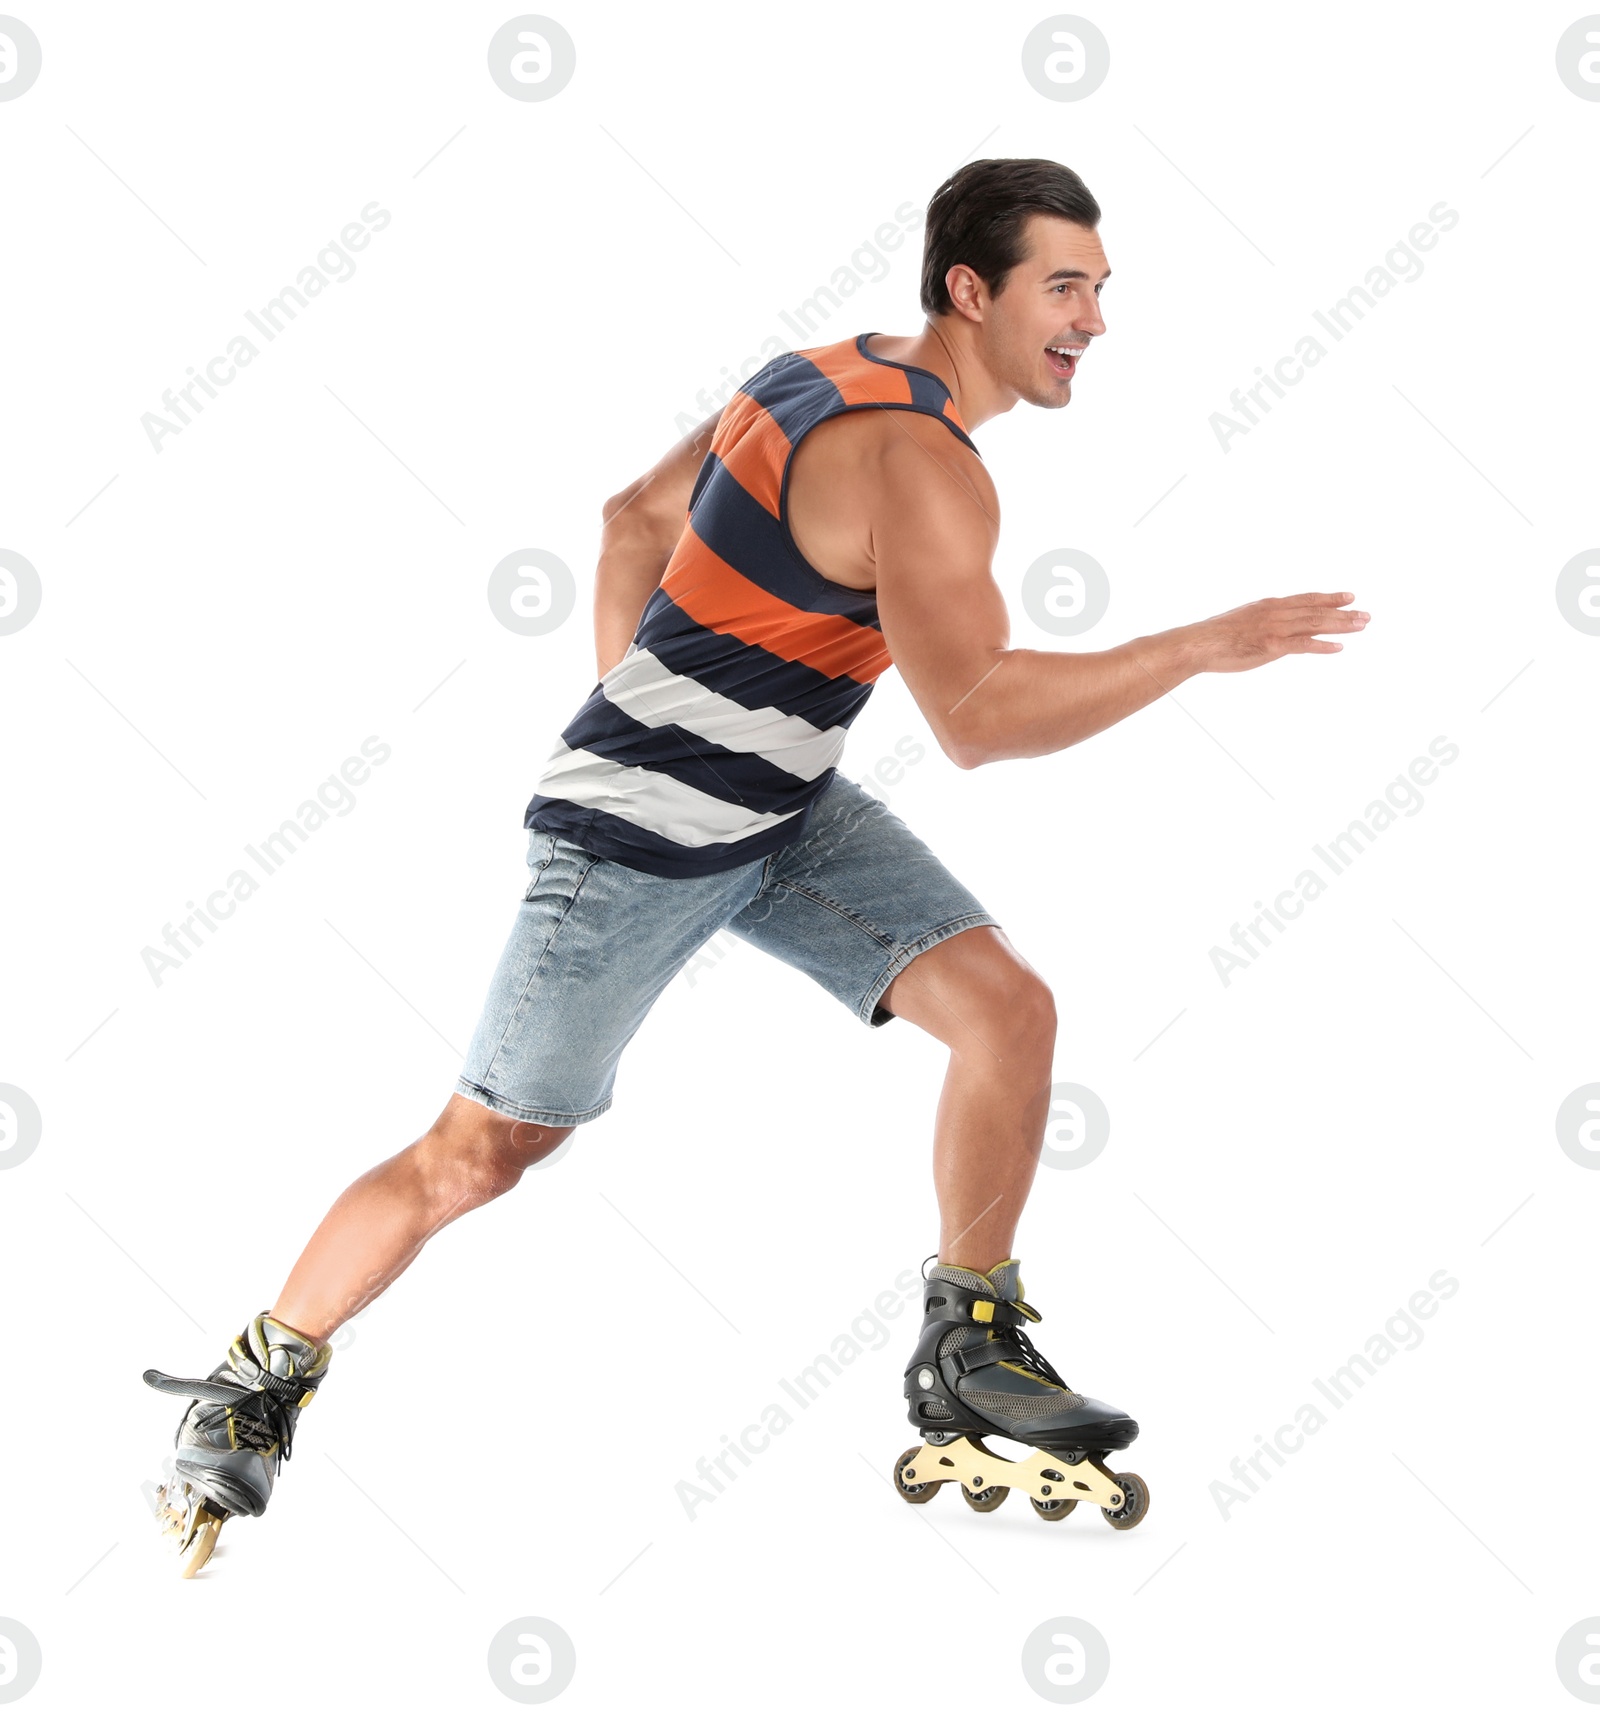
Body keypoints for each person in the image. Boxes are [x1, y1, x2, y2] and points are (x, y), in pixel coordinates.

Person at [144, 157, 1367, 1571]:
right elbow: (973, 720)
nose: (1095, 319)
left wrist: (669, 708)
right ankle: (258, 1375)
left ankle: (968, 1340)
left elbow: (630, 522)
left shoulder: (818, 369)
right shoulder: (926, 470)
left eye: (1100, 288)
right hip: (631, 846)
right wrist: (1196, 648)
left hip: (782, 811)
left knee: (1007, 1011)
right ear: (971, 292)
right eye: (1066, 287)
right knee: (482, 1153)